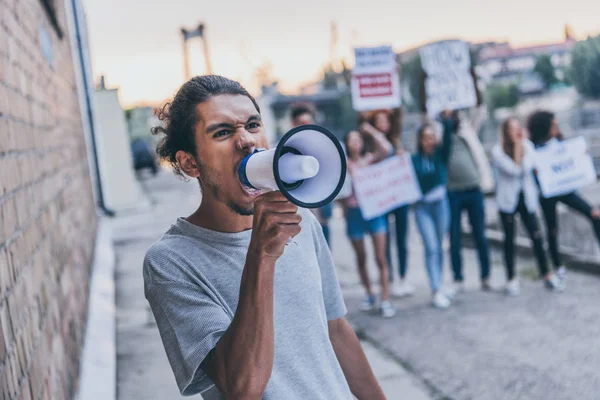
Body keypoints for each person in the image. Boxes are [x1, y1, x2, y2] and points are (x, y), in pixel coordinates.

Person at [143, 75, 386, 399]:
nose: (245, 140)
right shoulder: (171, 262)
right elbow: (242, 388)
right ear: (191, 163)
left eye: (253, 125)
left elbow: (336, 330)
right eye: (223, 132)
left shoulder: (301, 222)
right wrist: (261, 255)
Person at [528, 110, 600, 285]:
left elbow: (571, 160)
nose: (557, 127)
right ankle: (558, 266)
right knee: (552, 230)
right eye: (553, 125)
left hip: (564, 189)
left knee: (594, 214)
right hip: (547, 193)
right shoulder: (532, 148)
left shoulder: (559, 142)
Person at [492, 117, 561, 294]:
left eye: (518, 127)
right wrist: (517, 147)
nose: (517, 131)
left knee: (536, 236)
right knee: (509, 240)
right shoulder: (498, 151)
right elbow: (515, 170)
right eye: (512, 128)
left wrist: (522, 148)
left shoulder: (528, 146)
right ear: (506, 132)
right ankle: (511, 278)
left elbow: (532, 165)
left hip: (526, 198)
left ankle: (546, 274)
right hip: (508, 201)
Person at [343, 123, 396, 318]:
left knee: (381, 257)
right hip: (354, 213)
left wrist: (370, 130)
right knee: (361, 257)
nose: (355, 143)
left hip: (374, 212)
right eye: (351, 140)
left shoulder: (371, 159)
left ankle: (386, 298)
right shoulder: (344, 165)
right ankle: (369, 293)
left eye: (358, 139)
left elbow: (387, 149)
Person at [441, 108, 494, 293]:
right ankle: (458, 277)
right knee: (454, 236)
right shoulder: (440, 134)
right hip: (452, 192)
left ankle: (486, 276)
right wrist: (445, 121)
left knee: (480, 234)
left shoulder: (468, 130)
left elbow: (480, 108)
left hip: (473, 189)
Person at [364, 109, 415, 298]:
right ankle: (390, 278)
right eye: (378, 121)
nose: (383, 124)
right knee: (385, 241)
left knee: (402, 238)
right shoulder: (372, 146)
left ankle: (402, 276)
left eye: (385, 120)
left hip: (398, 197)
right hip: (381, 200)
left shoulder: (397, 141)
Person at [411, 123, 453, 308]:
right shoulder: (413, 160)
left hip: (441, 205)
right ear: (420, 140)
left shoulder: (440, 156)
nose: (430, 141)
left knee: (440, 245)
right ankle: (435, 289)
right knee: (431, 246)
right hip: (423, 207)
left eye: (432, 137)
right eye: (426, 137)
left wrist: (447, 121)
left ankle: (441, 283)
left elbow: (449, 141)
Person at [290, 103, 334, 246]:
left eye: (308, 122)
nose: (305, 126)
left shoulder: (323, 145)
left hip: (322, 209)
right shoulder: (288, 148)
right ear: (294, 124)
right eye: (301, 123)